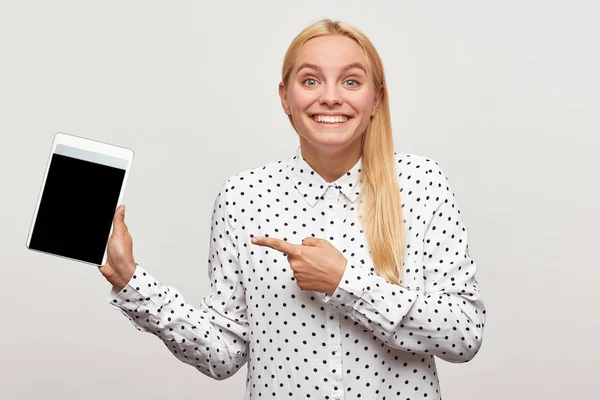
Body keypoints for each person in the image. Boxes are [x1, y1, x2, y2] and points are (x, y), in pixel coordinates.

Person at [99, 18, 486, 400]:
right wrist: (130, 279)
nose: (331, 97)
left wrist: (345, 283)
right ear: (285, 96)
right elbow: (223, 354)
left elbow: (465, 334)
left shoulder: (419, 183)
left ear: (376, 99)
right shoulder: (244, 197)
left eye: (350, 81)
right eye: (311, 80)